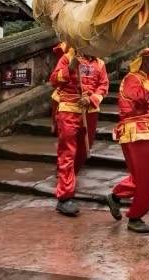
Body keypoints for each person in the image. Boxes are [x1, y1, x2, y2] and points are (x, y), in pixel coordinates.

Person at [105, 48, 149, 234]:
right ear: (143, 61)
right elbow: (138, 99)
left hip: (144, 131)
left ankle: (116, 196)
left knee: (142, 176)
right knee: (146, 176)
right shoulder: (132, 78)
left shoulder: (147, 80)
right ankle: (135, 217)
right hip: (133, 131)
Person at [48, 47, 109, 216]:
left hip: (89, 111)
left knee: (82, 152)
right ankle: (64, 196)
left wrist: (91, 99)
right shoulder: (68, 58)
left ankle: (67, 178)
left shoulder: (100, 63)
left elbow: (103, 86)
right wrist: (70, 68)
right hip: (68, 109)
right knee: (68, 151)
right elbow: (54, 80)